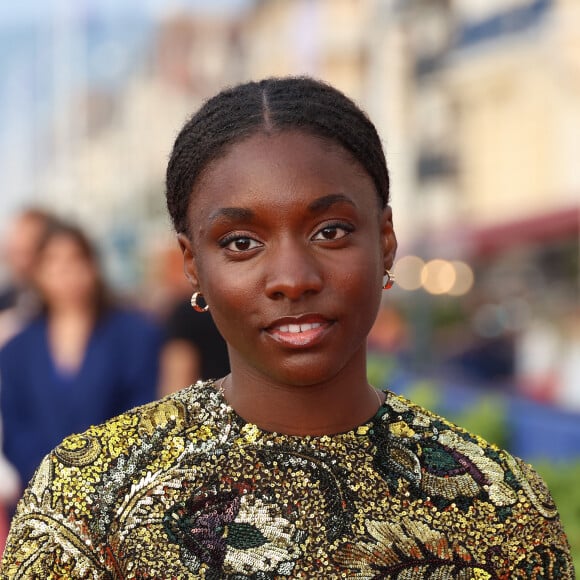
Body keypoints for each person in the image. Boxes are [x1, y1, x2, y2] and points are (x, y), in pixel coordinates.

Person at [1, 77, 574, 578]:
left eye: (330, 231)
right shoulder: (88, 498)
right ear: (193, 263)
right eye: (242, 243)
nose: (292, 279)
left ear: (386, 241)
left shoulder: (504, 506)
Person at [0, 220, 163, 493]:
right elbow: (16, 429)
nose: (65, 272)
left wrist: (97, 474)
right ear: (37, 272)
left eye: (75, 259)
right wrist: (53, 477)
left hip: (117, 489)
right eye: (52, 261)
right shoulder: (17, 349)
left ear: (92, 266)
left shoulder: (135, 333)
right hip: (43, 495)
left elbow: (142, 409)